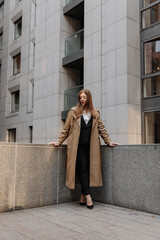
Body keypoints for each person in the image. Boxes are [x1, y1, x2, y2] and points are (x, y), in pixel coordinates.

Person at [49, 89, 118, 209]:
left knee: (86, 171)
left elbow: (101, 129)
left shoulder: (95, 113)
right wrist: (58, 142)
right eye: (80, 97)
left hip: (91, 147)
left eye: (84, 97)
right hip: (77, 147)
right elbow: (66, 130)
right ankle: (88, 196)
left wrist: (109, 141)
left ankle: (82, 195)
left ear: (88, 98)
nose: (82, 99)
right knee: (84, 169)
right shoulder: (73, 112)